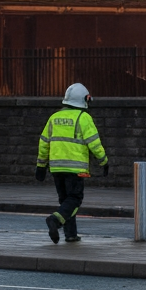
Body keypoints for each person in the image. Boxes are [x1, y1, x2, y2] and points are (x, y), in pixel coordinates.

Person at [36, 83, 108, 244]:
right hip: (76, 169)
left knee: (65, 201)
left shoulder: (54, 118)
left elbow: (43, 143)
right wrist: (104, 161)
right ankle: (55, 220)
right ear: (83, 100)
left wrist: (40, 166)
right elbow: (94, 143)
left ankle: (71, 234)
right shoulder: (84, 118)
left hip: (56, 168)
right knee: (74, 199)